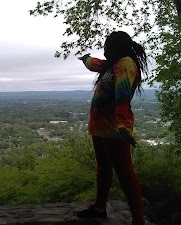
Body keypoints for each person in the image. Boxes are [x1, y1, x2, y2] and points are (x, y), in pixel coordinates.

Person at [76, 31, 148, 225]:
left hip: (114, 128)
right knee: (104, 168)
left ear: (118, 47)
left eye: (108, 46)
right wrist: (85, 58)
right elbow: (95, 64)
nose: (105, 50)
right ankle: (100, 208)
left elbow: (123, 96)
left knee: (124, 173)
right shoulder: (111, 64)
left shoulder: (125, 64)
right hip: (100, 126)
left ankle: (138, 219)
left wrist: (122, 125)